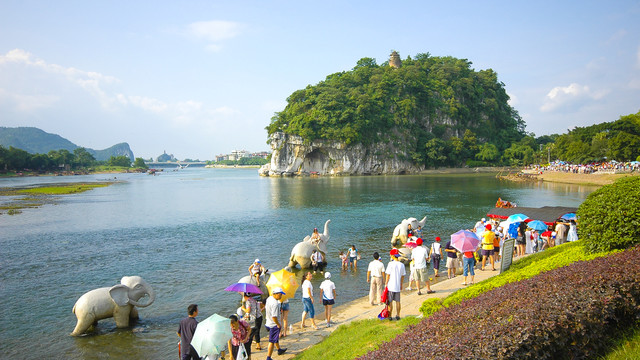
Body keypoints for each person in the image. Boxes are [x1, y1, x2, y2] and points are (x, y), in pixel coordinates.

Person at [265, 287, 287, 360]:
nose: (281, 296)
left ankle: (279, 350)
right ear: (276, 294)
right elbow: (274, 316)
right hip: (273, 325)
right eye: (280, 295)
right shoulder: (275, 304)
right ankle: (268, 357)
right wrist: (278, 324)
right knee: (271, 341)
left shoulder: (269, 299)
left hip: (268, 322)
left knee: (275, 338)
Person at [385, 248, 406, 320]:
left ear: (393, 256)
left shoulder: (390, 264)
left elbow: (388, 275)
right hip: (397, 286)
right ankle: (398, 315)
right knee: (398, 301)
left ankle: (390, 316)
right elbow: (403, 275)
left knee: (390, 301)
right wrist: (401, 284)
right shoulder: (402, 265)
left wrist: (386, 283)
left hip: (391, 286)